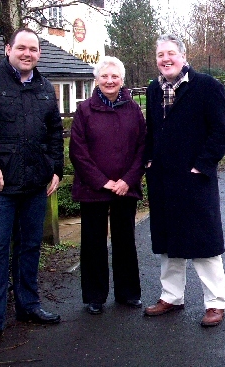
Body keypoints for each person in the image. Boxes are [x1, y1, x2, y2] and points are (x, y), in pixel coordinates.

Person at [0, 27, 64, 351]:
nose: (27, 53)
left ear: (38, 54)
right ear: (8, 49)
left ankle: (28, 305)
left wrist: (56, 169)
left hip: (34, 184)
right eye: (21, 48)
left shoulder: (45, 87)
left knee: (29, 246)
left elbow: (54, 132)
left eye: (33, 49)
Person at [143, 34, 225, 327]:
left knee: (204, 243)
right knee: (169, 243)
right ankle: (171, 297)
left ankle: (215, 304)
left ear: (183, 56)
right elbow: (152, 131)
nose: (165, 59)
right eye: (160, 55)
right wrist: (149, 161)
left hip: (195, 181)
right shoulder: (154, 90)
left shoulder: (207, 87)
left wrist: (201, 167)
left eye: (170, 54)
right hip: (164, 181)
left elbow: (222, 132)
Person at [68, 56, 146, 315]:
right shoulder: (84, 110)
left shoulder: (133, 109)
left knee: (125, 241)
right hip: (93, 189)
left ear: (122, 80)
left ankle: (127, 293)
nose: (110, 81)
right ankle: (95, 296)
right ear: (97, 80)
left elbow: (142, 148)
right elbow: (78, 152)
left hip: (126, 188)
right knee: (93, 242)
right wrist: (103, 182)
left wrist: (127, 180)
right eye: (104, 76)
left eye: (114, 77)